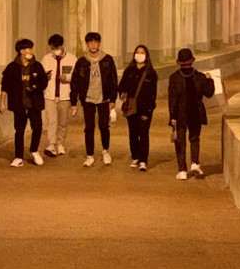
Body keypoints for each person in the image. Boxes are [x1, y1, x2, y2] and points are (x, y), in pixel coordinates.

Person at [68, 32, 118, 167]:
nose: (93, 45)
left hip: (104, 99)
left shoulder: (107, 60)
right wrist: (73, 102)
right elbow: (75, 82)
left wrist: (113, 99)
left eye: (95, 42)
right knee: (89, 128)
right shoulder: (81, 62)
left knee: (104, 126)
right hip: (88, 99)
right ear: (87, 45)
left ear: (99, 44)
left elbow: (113, 80)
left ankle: (105, 151)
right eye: (90, 43)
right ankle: (89, 155)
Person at [0, 38, 49, 167]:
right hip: (19, 104)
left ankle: (34, 151)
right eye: (28, 49)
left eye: (31, 48)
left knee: (37, 127)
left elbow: (43, 82)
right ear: (21, 51)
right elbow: (5, 85)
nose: (31, 51)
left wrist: (35, 87)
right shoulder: (12, 67)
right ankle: (18, 157)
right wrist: (2, 102)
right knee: (19, 130)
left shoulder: (37, 66)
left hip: (34, 104)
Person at [166, 48, 215, 180]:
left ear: (178, 62)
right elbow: (209, 93)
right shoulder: (200, 76)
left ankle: (182, 170)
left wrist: (172, 116)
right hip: (196, 113)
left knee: (180, 142)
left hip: (180, 115)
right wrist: (209, 79)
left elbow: (172, 99)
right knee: (194, 139)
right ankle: (195, 163)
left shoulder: (174, 78)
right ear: (193, 60)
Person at [117, 44, 157, 172]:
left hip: (145, 108)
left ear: (146, 55)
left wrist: (148, 111)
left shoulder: (151, 73)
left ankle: (143, 160)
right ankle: (135, 156)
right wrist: (122, 94)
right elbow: (121, 86)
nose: (140, 55)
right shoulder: (129, 70)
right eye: (137, 52)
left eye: (142, 53)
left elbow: (153, 94)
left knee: (143, 133)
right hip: (131, 107)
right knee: (133, 133)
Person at [40, 33, 77, 157]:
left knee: (63, 122)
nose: (55, 50)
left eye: (57, 47)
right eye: (53, 48)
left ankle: (60, 143)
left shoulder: (72, 59)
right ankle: (51, 144)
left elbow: (76, 76)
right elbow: (41, 75)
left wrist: (66, 77)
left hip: (65, 96)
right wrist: (45, 77)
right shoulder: (46, 59)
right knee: (51, 121)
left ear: (62, 46)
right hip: (50, 96)